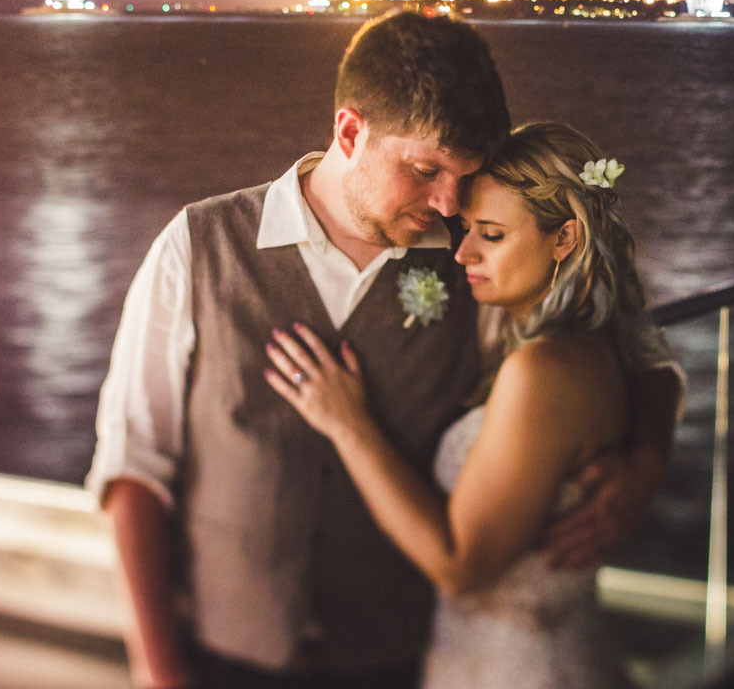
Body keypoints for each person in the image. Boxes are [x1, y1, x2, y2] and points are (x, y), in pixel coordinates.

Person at [88, 12, 678, 688]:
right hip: (219, 661)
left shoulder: (479, 260)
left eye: (465, 175)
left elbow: (629, 351)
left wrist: (646, 459)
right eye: (425, 169)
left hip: (400, 665)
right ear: (350, 131)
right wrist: (157, 669)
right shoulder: (197, 246)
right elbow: (133, 466)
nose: (447, 200)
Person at [267, 122, 666, 689]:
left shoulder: (543, 371)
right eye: (468, 228)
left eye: (492, 234)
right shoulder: (588, 343)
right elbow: (658, 373)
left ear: (565, 239)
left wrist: (350, 425)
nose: (462, 252)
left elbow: (461, 569)